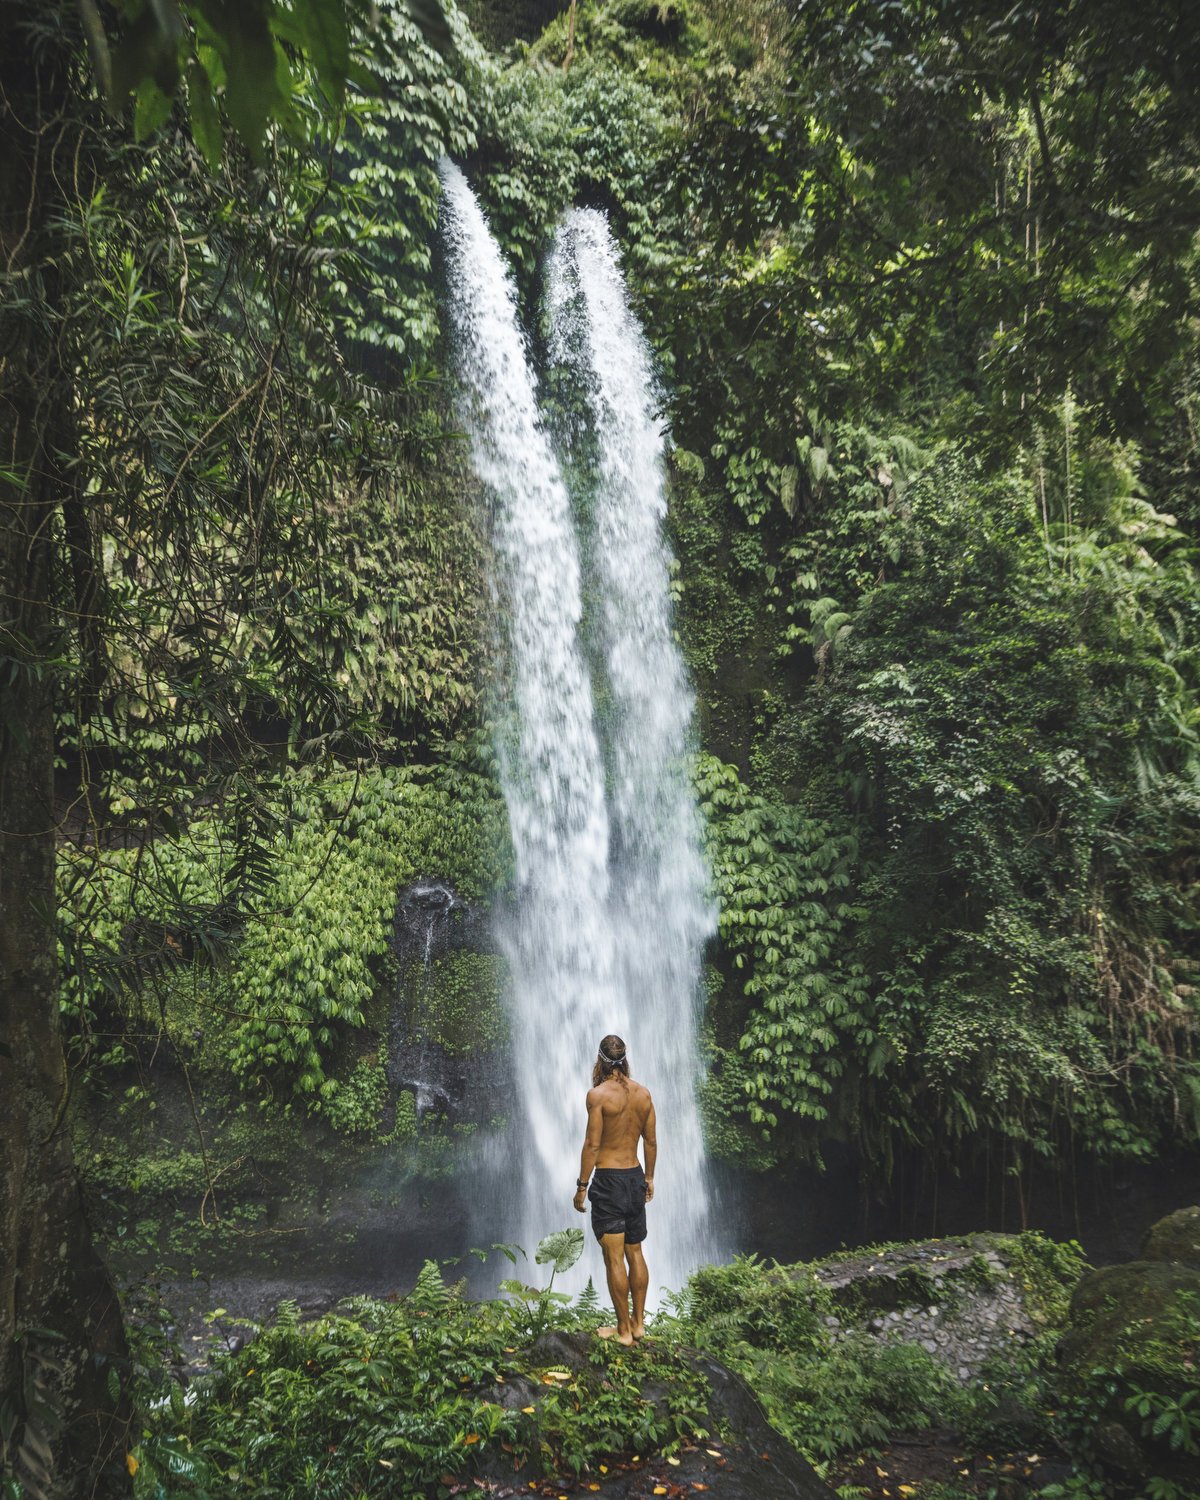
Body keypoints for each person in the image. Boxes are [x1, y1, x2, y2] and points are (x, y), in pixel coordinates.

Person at [572, 1033, 656, 1345]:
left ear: (600, 1060)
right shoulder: (644, 1095)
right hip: (634, 1177)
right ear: (624, 1060)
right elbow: (650, 1140)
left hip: (608, 1180)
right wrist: (649, 1179)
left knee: (614, 1258)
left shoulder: (598, 1096)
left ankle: (622, 1331)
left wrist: (582, 1186)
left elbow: (593, 1144)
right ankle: (638, 1324)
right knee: (636, 1252)